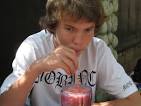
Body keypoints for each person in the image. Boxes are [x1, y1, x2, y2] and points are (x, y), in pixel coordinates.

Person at [0, 0, 141, 106]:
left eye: (87, 30)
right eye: (70, 29)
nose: (79, 41)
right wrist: (35, 69)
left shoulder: (98, 50)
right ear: (54, 25)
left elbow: (135, 100)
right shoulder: (34, 48)